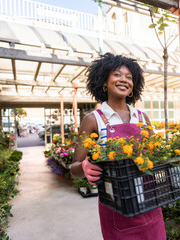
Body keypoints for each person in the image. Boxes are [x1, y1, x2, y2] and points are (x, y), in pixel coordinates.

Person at [70, 53, 166, 240]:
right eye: (117, 74)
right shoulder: (93, 120)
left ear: (133, 86)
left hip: (150, 203)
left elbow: (158, 156)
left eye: (129, 77)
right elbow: (74, 167)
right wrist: (84, 167)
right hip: (116, 210)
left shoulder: (142, 118)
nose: (124, 80)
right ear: (104, 81)